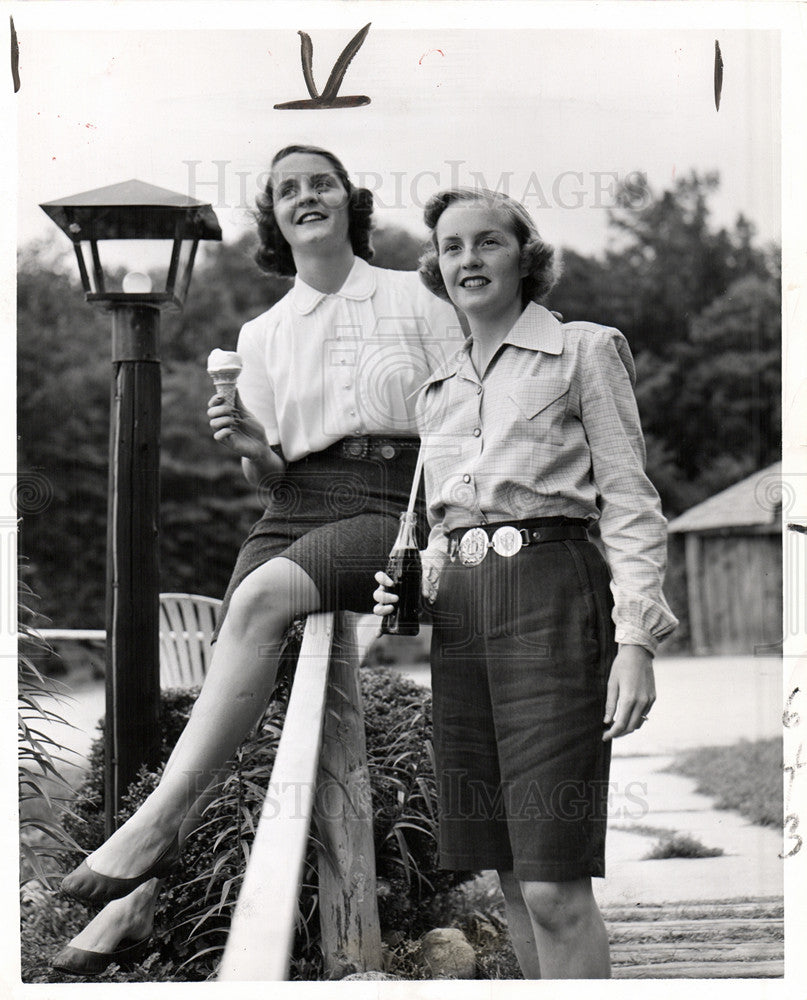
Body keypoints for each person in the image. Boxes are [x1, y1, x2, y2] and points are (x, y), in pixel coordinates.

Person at [52, 145, 460, 975]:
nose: (305, 196)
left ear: (350, 200)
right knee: (237, 688)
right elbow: (270, 470)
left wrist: (440, 530)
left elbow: (460, 411)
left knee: (262, 599)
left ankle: (155, 829)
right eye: (286, 190)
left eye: (320, 183)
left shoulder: (416, 296)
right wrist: (245, 444)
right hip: (294, 502)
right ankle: (136, 902)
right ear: (274, 217)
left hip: (391, 496)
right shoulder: (261, 332)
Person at [374, 187, 678, 979]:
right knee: (507, 870)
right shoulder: (435, 389)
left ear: (525, 257)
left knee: (550, 880)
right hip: (465, 620)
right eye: (450, 247)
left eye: (487, 243)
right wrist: (411, 585)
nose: (467, 259)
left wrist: (635, 640)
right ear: (436, 268)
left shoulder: (585, 349)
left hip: (554, 598)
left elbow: (631, 503)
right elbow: (442, 527)